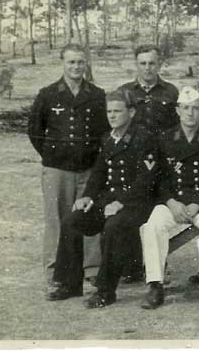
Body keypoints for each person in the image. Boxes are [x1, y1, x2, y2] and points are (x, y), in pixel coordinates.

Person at [46, 90, 160, 307]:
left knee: (114, 227)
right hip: (109, 201)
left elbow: (147, 180)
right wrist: (87, 196)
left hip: (137, 203)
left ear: (132, 112)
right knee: (72, 221)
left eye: (118, 111)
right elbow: (99, 172)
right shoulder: (108, 138)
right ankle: (70, 284)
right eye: (109, 111)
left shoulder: (144, 138)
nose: (112, 116)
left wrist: (121, 202)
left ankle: (105, 290)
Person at [28, 43, 109, 287]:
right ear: (62, 63)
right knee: (56, 219)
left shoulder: (97, 95)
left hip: (89, 168)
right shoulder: (48, 94)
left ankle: (92, 269)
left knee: (90, 216)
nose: (76, 67)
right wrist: (54, 156)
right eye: (71, 62)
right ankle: (55, 271)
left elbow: (104, 131)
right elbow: (35, 130)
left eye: (80, 62)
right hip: (57, 169)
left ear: (86, 64)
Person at [140, 86, 199, 313]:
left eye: (196, 108)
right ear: (178, 110)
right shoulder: (164, 138)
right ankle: (155, 284)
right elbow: (157, 178)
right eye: (186, 108)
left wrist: (198, 202)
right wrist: (170, 201)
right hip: (173, 202)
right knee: (153, 226)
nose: (191, 113)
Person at [115, 44, 179, 283]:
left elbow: (175, 128)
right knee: (132, 210)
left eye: (152, 63)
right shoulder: (124, 92)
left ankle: (160, 266)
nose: (147, 68)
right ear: (136, 65)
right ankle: (132, 267)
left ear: (159, 64)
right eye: (143, 63)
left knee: (157, 216)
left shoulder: (171, 92)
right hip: (132, 162)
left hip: (161, 163)